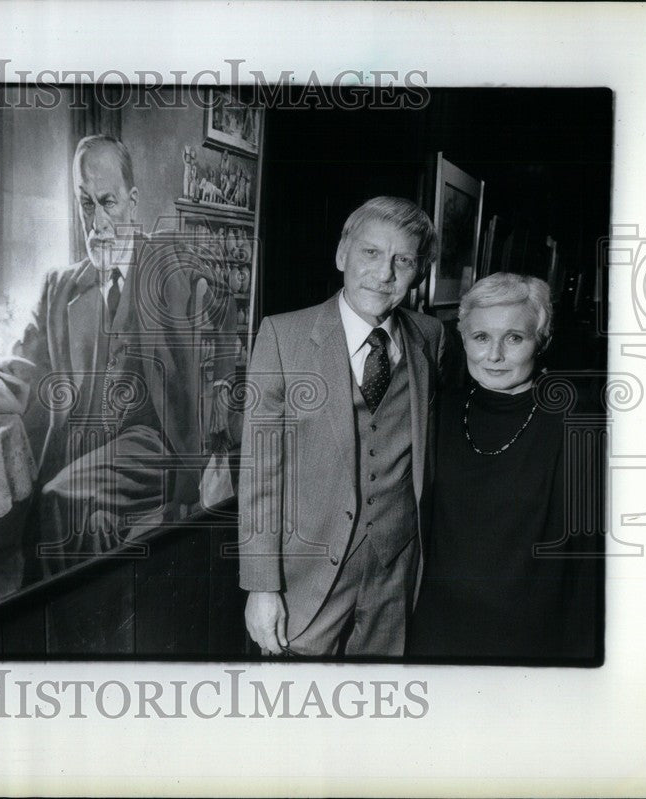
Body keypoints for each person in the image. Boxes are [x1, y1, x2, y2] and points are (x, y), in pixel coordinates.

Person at [0, 134, 236, 570]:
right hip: (84, 450)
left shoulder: (173, 269)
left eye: (109, 202)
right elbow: (19, 375)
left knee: (63, 498)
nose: (97, 222)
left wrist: (218, 441)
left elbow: (225, 325)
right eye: (86, 205)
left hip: (158, 446)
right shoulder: (59, 288)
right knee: (55, 519)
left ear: (133, 201)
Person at [239, 196, 444, 657]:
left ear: (419, 272)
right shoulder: (282, 337)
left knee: (375, 709)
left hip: (396, 571)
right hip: (306, 577)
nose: (384, 273)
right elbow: (260, 476)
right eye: (371, 253)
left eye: (403, 260)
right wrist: (261, 587)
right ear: (342, 255)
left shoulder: (430, 338)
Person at [408, 273, 599, 660]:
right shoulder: (437, 411)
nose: (494, 355)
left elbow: (590, 568)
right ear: (463, 340)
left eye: (514, 338)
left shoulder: (576, 422)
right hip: (436, 634)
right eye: (481, 338)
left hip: (532, 642)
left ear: (541, 341)